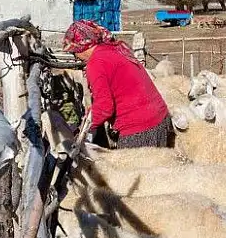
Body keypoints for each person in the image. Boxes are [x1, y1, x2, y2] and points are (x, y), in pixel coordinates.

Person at [62, 20, 174, 149]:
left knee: (133, 169)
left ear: (83, 46)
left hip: (139, 131)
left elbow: (105, 107)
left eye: (74, 52)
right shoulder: (114, 49)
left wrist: (84, 128)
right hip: (159, 118)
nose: (76, 57)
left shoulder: (96, 63)